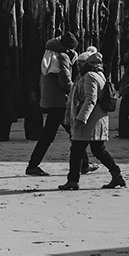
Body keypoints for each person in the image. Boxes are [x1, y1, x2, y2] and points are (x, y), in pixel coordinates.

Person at [57, 47, 125, 191]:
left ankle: (73, 181)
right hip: (98, 119)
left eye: (80, 63)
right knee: (98, 150)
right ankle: (116, 174)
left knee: (76, 150)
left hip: (90, 120)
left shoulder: (90, 76)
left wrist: (81, 118)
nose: (78, 66)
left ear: (86, 63)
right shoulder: (99, 74)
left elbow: (90, 99)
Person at [26, 33, 77, 177]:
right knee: (55, 135)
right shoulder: (62, 57)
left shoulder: (49, 53)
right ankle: (32, 166)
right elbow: (65, 81)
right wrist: (75, 91)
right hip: (59, 101)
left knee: (70, 131)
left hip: (50, 99)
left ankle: (83, 163)